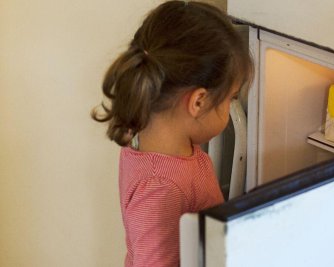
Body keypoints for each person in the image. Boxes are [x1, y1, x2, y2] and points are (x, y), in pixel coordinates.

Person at [91, 1, 253, 266]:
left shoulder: (148, 133)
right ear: (198, 102)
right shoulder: (161, 188)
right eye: (230, 99)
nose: (229, 106)